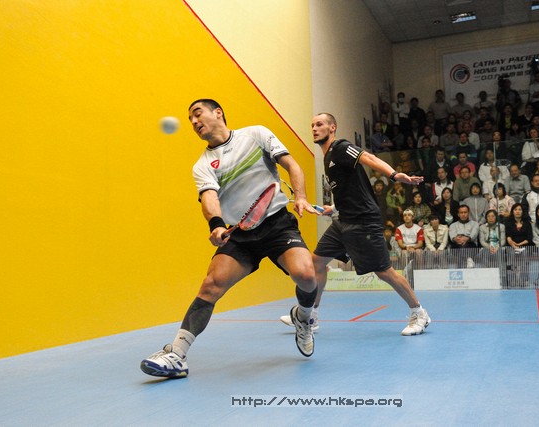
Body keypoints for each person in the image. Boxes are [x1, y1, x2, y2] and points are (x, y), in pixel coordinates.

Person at [140, 99, 319, 378]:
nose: (194, 122)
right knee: (211, 286)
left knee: (306, 275)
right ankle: (177, 354)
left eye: (197, 114)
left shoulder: (256, 134)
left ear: (218, 113)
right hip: (240, 234)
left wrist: (301, 196)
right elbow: (209, 198)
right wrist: (216, 224)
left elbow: (291, 165)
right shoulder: (203, 165)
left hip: (277, 225)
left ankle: (303, 317)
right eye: (190, 119)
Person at [286, 112, 431, 336]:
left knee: (384, 272)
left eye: (320, 124)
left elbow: (369, 158)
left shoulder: (341, 147)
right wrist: (333, 208)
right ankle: (310, 316)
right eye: (312, 125)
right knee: (316, 262)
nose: (314, 128)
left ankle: (419, 313)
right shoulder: (327, 157)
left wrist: (394, 175)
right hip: (343, 220)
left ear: (332, 127)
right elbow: (351, 189)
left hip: (364, 221)